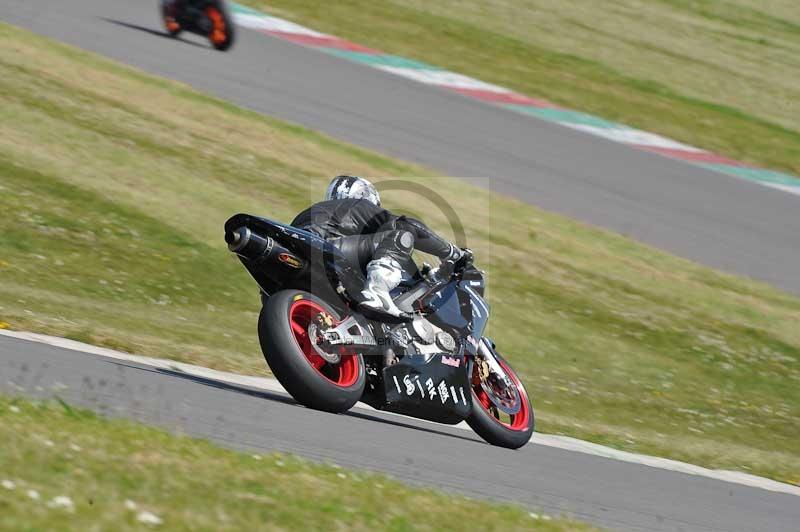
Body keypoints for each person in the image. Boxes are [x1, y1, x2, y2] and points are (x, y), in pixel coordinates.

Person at [291, 175, 469, 319]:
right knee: (403, 235)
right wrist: (453, 253)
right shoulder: (358, 205)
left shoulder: (314, 213)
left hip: (299, 266)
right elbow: (409, 225)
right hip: (328, 251)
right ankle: (377, 293)